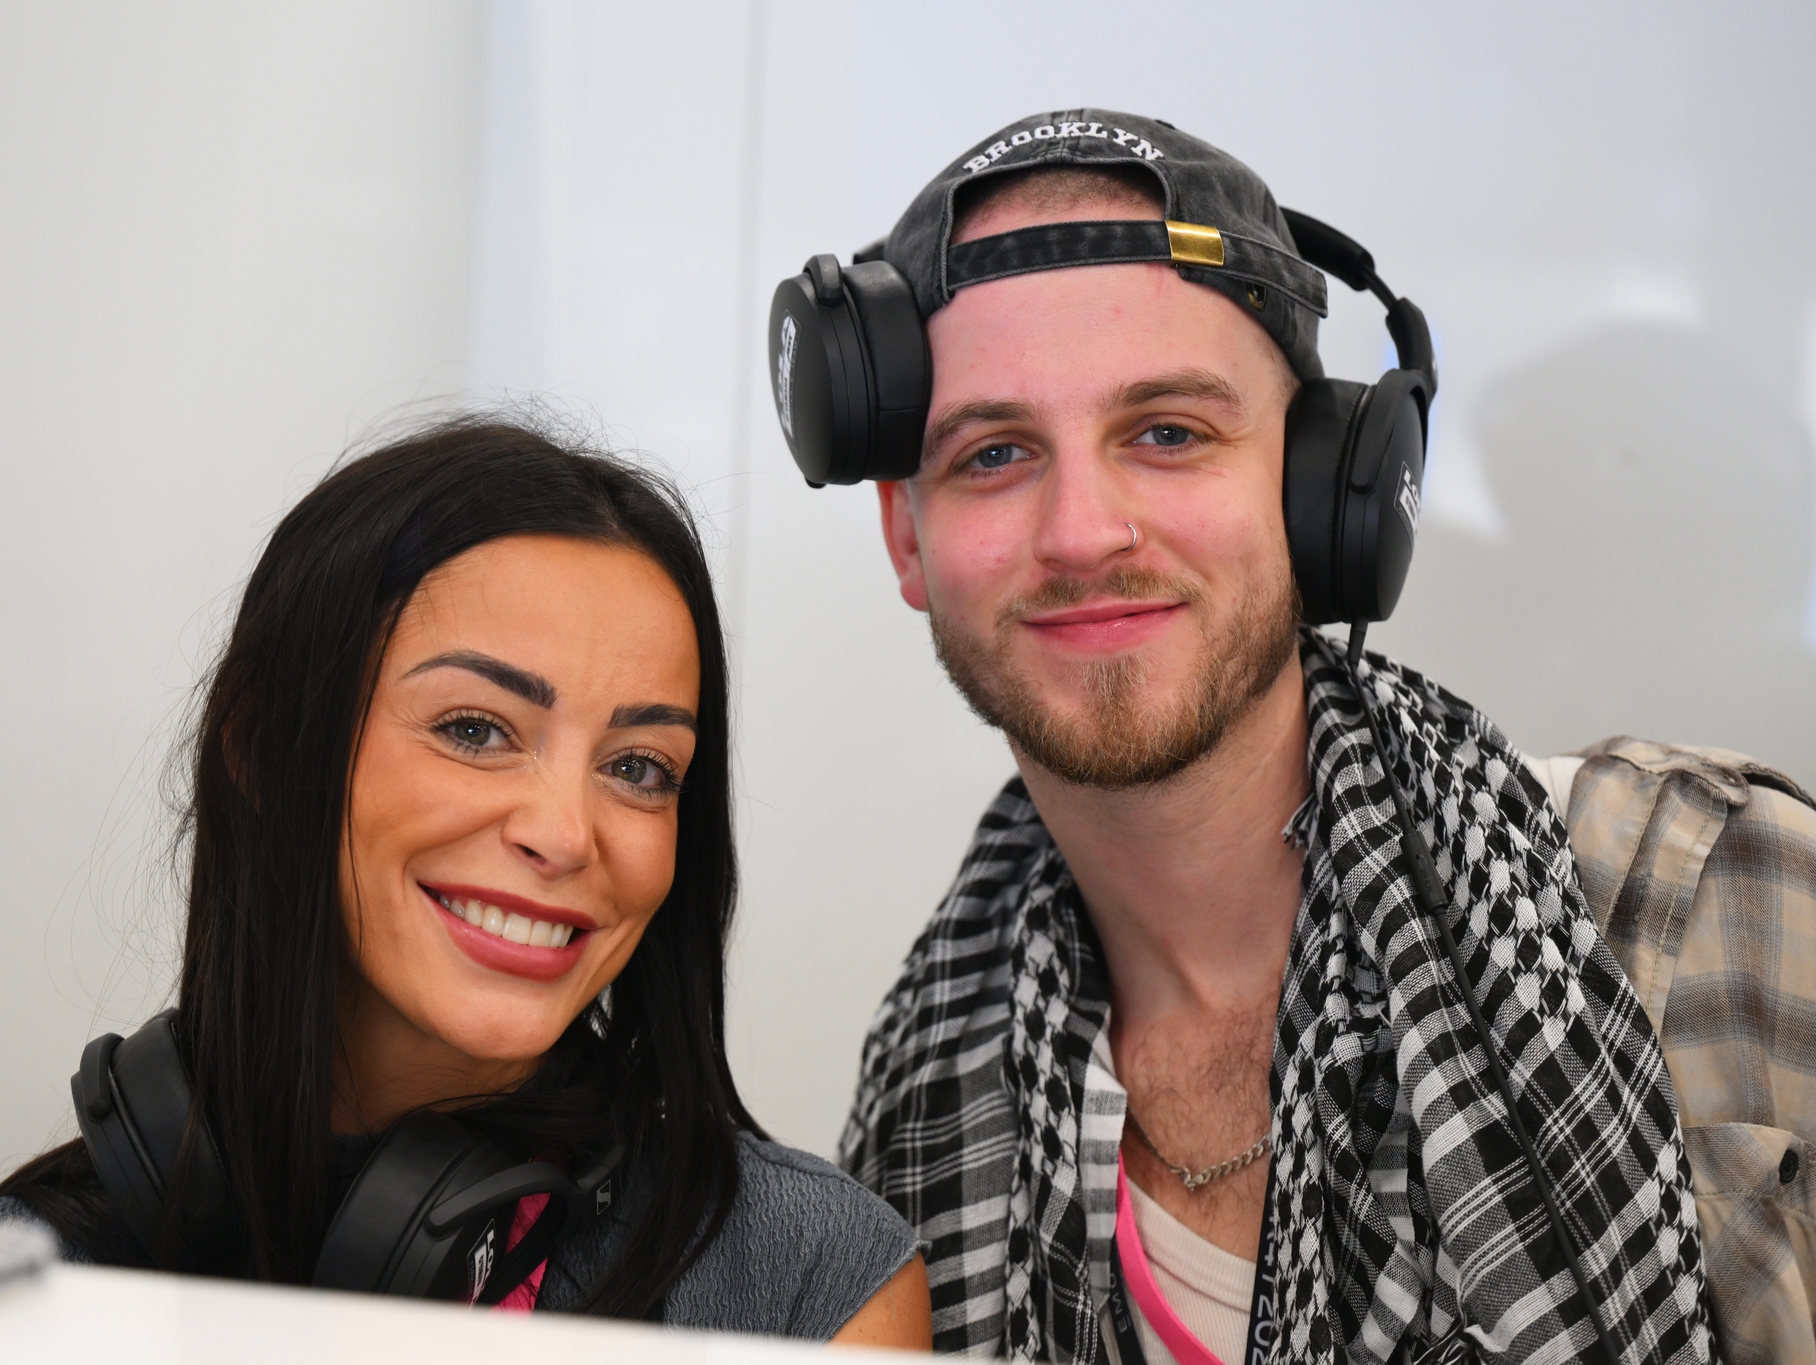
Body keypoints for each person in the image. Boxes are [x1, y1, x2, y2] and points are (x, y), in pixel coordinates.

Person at [768, 111, 1816, 1365]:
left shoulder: (1708, 900)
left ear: (1326, 492)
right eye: (993, 454)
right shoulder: (912, 1119)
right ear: (905, 539)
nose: (1082, 533)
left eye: (1167, 432)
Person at [0, 415, 932, 1348]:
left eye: (639, 766)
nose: (562, 834)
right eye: (475, 729)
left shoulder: (812, 1285)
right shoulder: (9, 1297)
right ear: (263, 748)